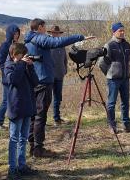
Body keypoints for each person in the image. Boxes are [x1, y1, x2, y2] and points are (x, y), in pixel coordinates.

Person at [23, 18, 92, 157]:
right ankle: (38, 148)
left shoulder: (29, 39)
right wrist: (80, 37)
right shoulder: (39, 39)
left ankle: (32, 146)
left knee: (33, 115)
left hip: (35, 81)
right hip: (43, 82)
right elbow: (58, 42)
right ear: (41, 27)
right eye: (45, 27)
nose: (45, 29)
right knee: (40, 116)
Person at [4, 43, 38, 180]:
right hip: (16, 107)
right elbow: (14, 80)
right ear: (14, 55)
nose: (24, 56)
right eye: (21, 54)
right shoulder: (9, 66)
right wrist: (22, 65)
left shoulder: (24, 66)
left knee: (23, 138)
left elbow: (35, 82)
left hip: (27, 106)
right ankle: (12, 169)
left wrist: (30, 67)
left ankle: (22, 166)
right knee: (14, 138)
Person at [99, 22, 130, 133]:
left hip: (125, 78)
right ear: (114, 32)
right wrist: (109, 73)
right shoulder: (109, 45)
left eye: (123, 30)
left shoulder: (126, 45)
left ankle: (126, 124)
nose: (122, 32)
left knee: (125, 102)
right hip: (113, 79)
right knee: (111, 103)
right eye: (120, 31)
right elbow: (102, 63)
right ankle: (112, 125)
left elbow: (127, 60)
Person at [0, 24, 20, 129]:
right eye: (14, 33)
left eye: (18, 34)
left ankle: (13, 121)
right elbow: (1, 62)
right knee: (6, 101)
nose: (16, 35)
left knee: (15, 100)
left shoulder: (18, 46)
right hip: (7, 78)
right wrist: (7, 72)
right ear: (10, 34)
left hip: (17, 77)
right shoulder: (4, 46)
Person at [48, 25, 69, 125]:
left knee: (58, 98)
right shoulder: (47, 44)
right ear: (51, 33)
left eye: (57, 33)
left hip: (60, 75)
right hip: (49, 76)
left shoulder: (61, 44)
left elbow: (65, 58)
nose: (56, 34)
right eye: (54, 33)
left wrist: (65, 69)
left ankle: (57, 119)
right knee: (46, 99)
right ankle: (41, 120)